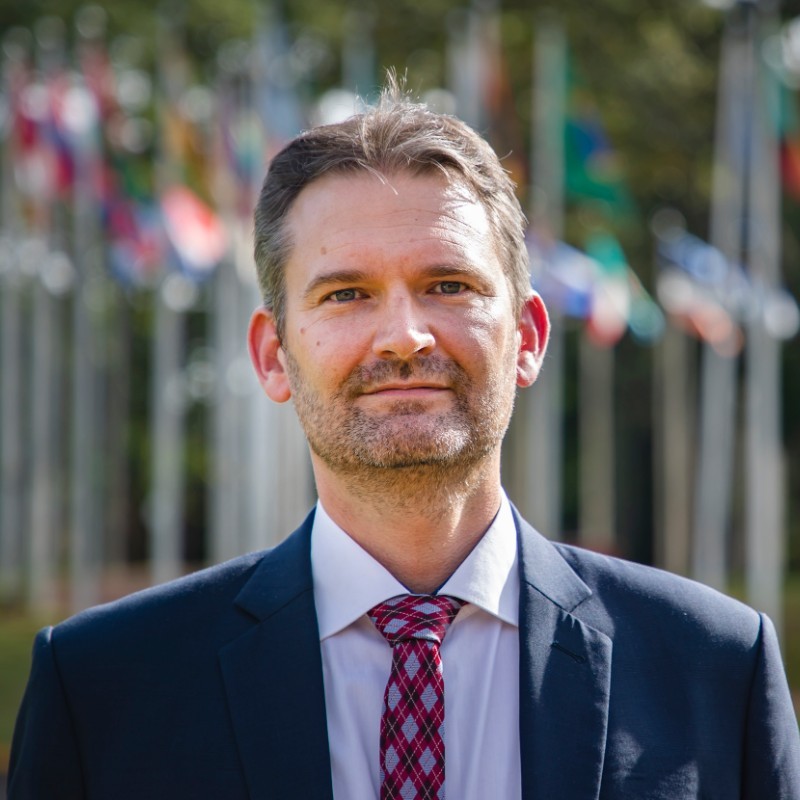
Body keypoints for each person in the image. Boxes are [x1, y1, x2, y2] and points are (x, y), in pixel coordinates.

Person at [8, 84, 800, 800]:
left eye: (448, 285)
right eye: (346, 293)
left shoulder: (716, 669)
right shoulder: (103, 688)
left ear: (527, 338)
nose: (404, 336)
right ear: (273, 356)